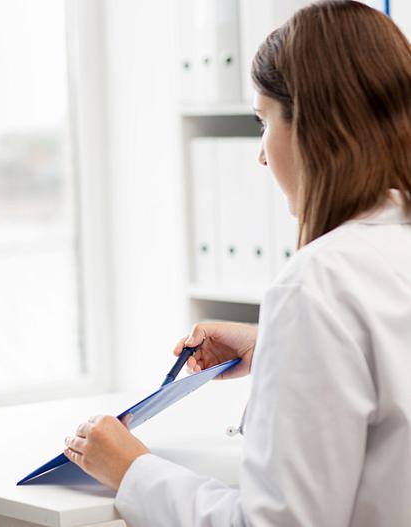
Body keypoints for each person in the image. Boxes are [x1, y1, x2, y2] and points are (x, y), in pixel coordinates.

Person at [63, 1, 411, 525]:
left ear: (312, 126)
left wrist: (132, 469)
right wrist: (276, 341)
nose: (262, 155)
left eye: (262, 121)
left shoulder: (320, 282)